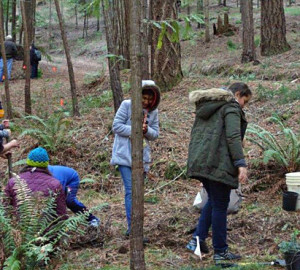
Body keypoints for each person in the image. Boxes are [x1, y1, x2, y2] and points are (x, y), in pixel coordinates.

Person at [186, 82, 252, 262]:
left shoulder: (208, 106)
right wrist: (240, 163)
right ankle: (221, 252)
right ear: (238, 94)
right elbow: (233, 136)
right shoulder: (230, 106)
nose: (243, 106)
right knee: (221, 204)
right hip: (217, 162)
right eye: (244, 102)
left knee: (214, 201)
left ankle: (197, 239)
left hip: (201, 160)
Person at [110, 80, 160, 236]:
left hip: (142, 157)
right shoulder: (126, 105)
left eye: (148, 99)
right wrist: (136, 129)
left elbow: (155, 134)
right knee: (131, 191)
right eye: (143, 98)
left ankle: (136, 227)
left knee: (138, 192)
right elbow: (116, 126)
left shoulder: (153, 112)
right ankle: (133, 230)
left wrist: (146, 131)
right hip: (125, 155)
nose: (145, 102)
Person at [4, 147, 67, 219]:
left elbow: (4, 209)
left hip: (18, 228)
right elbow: (61, 214)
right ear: (46, 165)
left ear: (28, 162)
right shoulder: (55, 184)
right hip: (46, 229)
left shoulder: (13, 181)